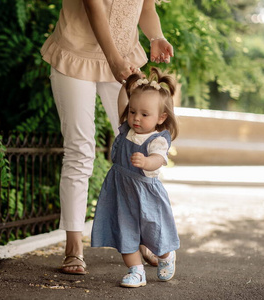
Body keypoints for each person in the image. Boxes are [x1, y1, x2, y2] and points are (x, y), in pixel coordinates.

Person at [40, 0, 174, 275]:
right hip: (77, 53)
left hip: (124, 58)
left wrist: (156, 36)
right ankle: (73, 248)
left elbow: (147, 8)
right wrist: (113, 59)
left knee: (143, 146)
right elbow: (93, 6)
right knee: (80, 150)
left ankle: (145, 237)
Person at [91, 67, 180, 287]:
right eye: (133, 112)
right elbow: (122, 102)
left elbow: (158, 160)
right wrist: (126, 85)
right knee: (125, 232)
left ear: (161, 118)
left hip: (145, 193)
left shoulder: (157, 139)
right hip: (121, 190)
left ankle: (166, 256)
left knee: (154, 232)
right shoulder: (125, 130)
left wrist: (146, 162)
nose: (136, 118)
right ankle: (136, 270)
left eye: (144, 114)